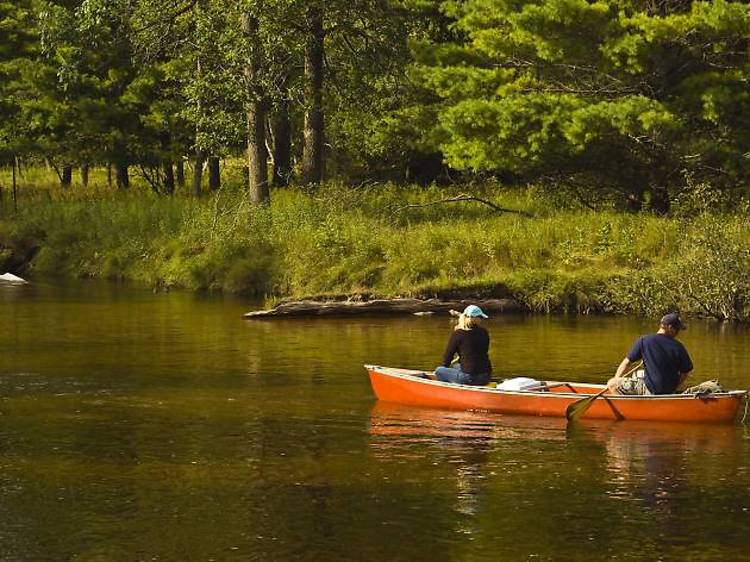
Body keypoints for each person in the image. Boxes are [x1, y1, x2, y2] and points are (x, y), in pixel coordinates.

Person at [608, 312, 693, 395]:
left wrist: (616, 380)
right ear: (669, 327)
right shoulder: (679, 346)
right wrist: (674, 387)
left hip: (650, 390)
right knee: (639, 374)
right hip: (669, 391)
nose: (677, 333)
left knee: (612, 383)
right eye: (677, 329)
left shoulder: (644, 340)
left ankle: (628, 407)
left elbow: (626, 363)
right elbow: (685, 372)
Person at [433, 305, 492, 386]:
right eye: (481, 317)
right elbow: (480, 352)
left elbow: (448, 356)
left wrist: (444, 368)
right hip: (486, 376)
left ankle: (449, 388)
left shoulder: (458, 334)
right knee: (456, 366)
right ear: (477, 319)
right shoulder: (484, 332)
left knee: (439, 370)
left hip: (470, 378)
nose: (481, 319)